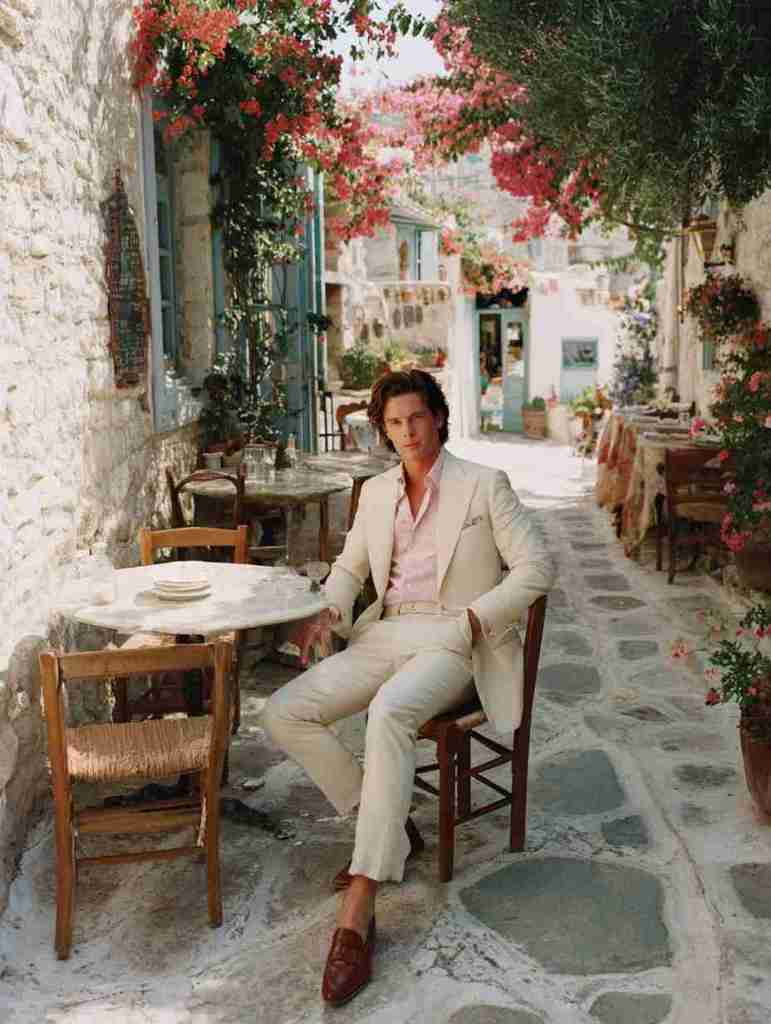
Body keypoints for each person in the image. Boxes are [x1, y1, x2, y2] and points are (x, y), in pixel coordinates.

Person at [260, 369, 555, 1006]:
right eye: (394, 423)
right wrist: (328, 613)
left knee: (389, 712)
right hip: (387, 631)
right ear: (384, 430)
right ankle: (389, 827)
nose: (408, 432)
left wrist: (474, 620)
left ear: (438, 417)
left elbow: (537, 567)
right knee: (283, 712)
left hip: (455, 637)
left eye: (416, 418)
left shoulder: (484, 484)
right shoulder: (375, 493)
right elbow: (349, 569)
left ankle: (360, 905)